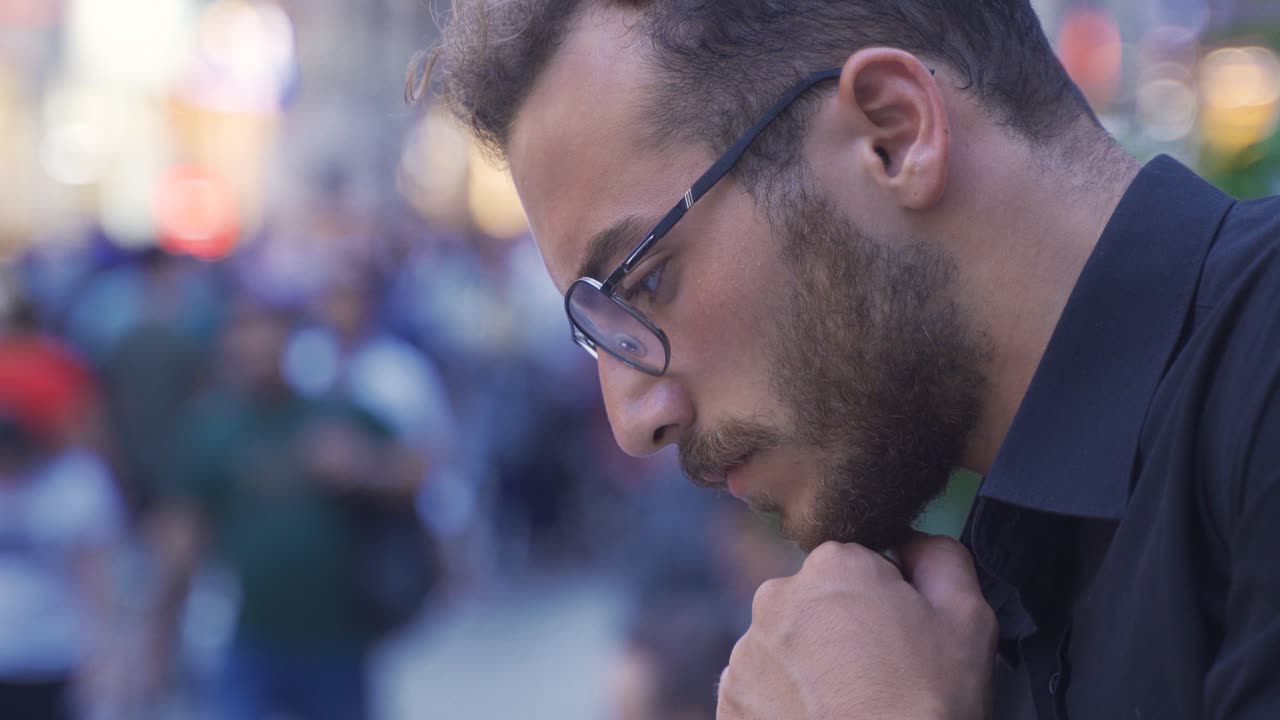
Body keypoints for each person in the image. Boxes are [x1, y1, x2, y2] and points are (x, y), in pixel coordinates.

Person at [417, 1, 1280, 718]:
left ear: (891, 136)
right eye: (598, 328)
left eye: (643, 282)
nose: (634, 419)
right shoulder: (954, 594)